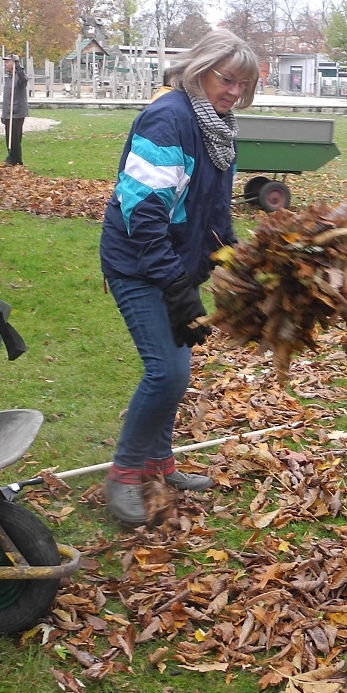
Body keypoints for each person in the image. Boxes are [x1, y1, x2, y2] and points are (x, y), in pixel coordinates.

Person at [99, 29, 260, 526]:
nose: (233, 92)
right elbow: (144, 213)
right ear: (200, 69)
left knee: (178, 372)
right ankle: (123, 474)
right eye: (226, 79)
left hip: (177, 264)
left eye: (243, 86)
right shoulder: (170, 118)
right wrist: (174, 287)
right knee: (164, 371)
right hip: (138, 262)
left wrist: (233, 258)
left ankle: (157, 463)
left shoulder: (216, 126)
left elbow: (211, 211)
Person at [2, 54, 28, 166]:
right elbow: (6, 97)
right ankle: (11, 158)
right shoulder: (8, 78)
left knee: (15, 139)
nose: (5, 65)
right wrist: (4, 114)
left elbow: (24, 79)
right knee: (9, 138)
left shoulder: (19, 77)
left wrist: (17, 64)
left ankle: (17, 161)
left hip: (17, 113)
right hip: (8, 113)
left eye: (7, 62)